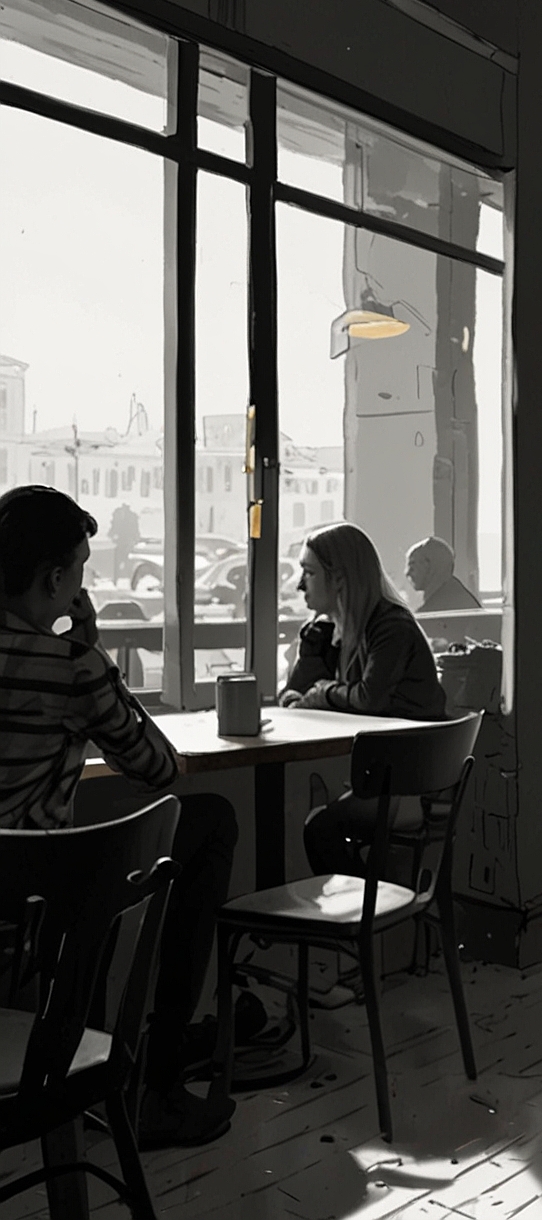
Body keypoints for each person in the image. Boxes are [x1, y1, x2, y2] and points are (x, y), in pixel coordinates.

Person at [0, 485, 238, 1147]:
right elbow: (161, 767)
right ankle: (156, 1086)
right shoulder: (72, 667)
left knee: (93, 862)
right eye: (78, 567)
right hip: (29, 915)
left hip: (19, 897)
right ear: (55, 581)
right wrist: (95, 653)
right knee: (208, 820)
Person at [283, 522, 447, 883]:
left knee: (317, 829)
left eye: (309, 573)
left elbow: (369, 698)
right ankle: (370, 914)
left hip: (410, 786)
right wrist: (311, 649)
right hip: (378, 777)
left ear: (339, 578)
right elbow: (290, 701)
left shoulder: (391, 627)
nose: (299, 584)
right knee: (311, 823)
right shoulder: (335, 631)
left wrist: (322, 692)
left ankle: (368, 917)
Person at [405, 535, 481, 613]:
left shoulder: (438, 610)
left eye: (412, 565)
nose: (407, 573)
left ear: (430, 566)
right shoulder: (456, 596)